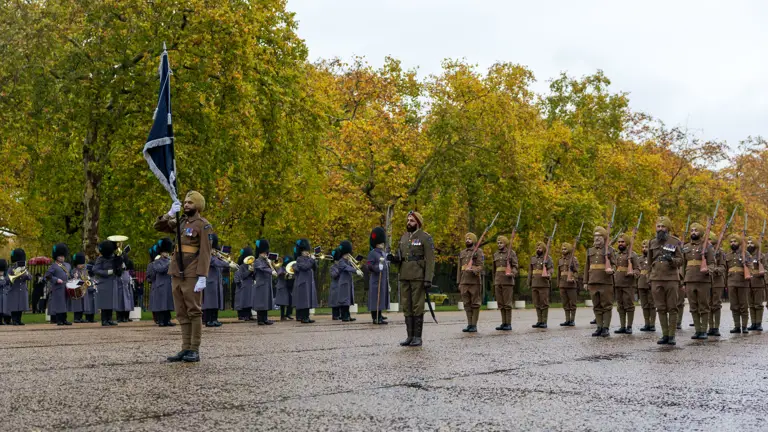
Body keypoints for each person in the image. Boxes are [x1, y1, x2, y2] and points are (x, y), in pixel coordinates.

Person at [153, 191, 213, 363]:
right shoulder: (180, 221)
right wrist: (169, 213)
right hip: (177, 270)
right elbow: (158, 227)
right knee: (181, 312)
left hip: (192, 271)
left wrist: (202, 275)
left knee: (194, 311)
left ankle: (194, 349)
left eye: (190, 203)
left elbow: (205, 253)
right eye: (185, 202)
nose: (186, 205)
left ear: (198, 206)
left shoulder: (203, 225)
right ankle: (185, 348)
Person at [388, 211, 435, 347]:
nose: (409, 223)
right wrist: (394, 259)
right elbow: (401, 256)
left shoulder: (425, 237)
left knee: (417, 306)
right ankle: (409, 336)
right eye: (408, 220)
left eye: (412, 221)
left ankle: (417, 337)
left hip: (418, 276)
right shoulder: (403, 237)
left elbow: (430, 260)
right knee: (406, 306)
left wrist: (428, 279)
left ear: (418, 223)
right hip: (404, 275)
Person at [648, 217, 684, 345]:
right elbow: (649, 262)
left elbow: (681, 260)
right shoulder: (652, 242)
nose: (660, 229)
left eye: (663, 227)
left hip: (671, 278)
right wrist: (649, 278)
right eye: (658, 226)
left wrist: (671, 260)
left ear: (667, 228)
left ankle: (672, 335)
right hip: (656, 279)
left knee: (672, 308)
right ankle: (664, 335)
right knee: (661, 308)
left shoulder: (675, 242)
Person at [682, 223, 715, 339]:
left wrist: (708, 270)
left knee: (704, 306)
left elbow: (712, 263)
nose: (693, 232)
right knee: (693, 306)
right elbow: (683, 265)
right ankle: (697, 330)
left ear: (700, 232)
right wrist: (683, 281)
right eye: (691, 230)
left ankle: (704, 330)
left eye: (696, 230)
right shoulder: (686, 247)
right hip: (690, 279)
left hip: (703, 280)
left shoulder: (707, 246)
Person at [584, 227, 616, 337]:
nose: (597, 238)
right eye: (595, 236)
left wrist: (612, 270)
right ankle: (599, 327)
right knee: (596, 306)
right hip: (593, 282)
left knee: (606, 306)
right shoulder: (590, 250)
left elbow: (615, 264)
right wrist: (585, 282)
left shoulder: (610, 250)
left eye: (599, 236)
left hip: (605, 282)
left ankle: (606, 328)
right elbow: (587, 267)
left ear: (604, 238)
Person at [204, 234, 232, 327]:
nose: (215, 251)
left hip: (216, 282)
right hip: (210, 282)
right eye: (214, 249)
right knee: (209, 302)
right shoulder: (208, 256)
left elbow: (220, 267)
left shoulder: (215, 257)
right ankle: (208, 320)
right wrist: (226, 263)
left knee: (216, 302)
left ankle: (214, 319)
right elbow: (215, 263)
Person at [726, 233, 752, 334]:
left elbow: (751, 267)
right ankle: (737, 326)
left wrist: (745, 264)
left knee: (743, 305)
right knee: (734, 305)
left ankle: (744, 326)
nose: (733, 243)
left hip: (742, 282)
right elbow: (726, 269)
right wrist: (725, 283)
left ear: (739, 242)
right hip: (731, 282)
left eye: (735, 241)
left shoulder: (746, 254)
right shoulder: (727, 255)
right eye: (731, 242)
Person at [613, 234, 640, 334]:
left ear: (627, 243)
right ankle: (622, 326)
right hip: (617, 283)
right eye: (619, 242)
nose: (620, 243)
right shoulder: (616, 255)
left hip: (628, 284)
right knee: (620, 305)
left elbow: (638, 269)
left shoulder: (632, 255)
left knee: (629, 305)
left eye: (622, 242)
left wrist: (633, 273)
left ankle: (629, 326)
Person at [458, 233, 484, 332]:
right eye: (466, 239)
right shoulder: (462, 253)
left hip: (474, 282)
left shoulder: (478, 251)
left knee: (475, 304)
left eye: (469, 239)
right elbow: (459, 269)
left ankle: (474, 325)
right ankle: (469, 324)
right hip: (464, 281)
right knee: (466, 304)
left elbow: (481, 266)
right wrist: (459, 282)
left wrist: (473, 269)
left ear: (473, 240)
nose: (467, 240)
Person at [148, 238, 176, 327]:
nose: (167, 254)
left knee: (167, 303)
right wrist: (169, 263)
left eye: (167, 252)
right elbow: (159, 269)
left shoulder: (169, 261)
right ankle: (161, 320)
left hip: (168, 284)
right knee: (161, 304)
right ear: (161, 252)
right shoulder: (157, 261)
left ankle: (167, 320)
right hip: (161, 285)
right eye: (165, 252)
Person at [333, 240, 362, 322]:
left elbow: (353, 266)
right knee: (344, 301)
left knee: (348, 301)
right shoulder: (341, 262)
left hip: (348, 283)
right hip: (343, 283)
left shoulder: (348, 261)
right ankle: (344, 316)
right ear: (343, 254)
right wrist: (356, 271)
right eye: (346, 254)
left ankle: (347, 315)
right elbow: (347, 268)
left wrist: (355, 264)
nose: (348, 255)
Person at [93, 240, 120, 326]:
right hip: (104, 282)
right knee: (105, 302)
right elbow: (95, 269)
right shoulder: (100, 259)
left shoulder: (114, 258)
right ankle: (104, 320)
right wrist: (107, 272)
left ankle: (109, 319)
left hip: (112, 282)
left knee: (111, 302)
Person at [367, 227, 390, 325]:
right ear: (376, 243)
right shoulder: (372, 253)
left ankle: (379, 315)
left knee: (380, 299)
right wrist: (377, 267)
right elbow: (369, 265)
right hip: (376, 280)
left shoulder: (383, 253)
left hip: (383, 279)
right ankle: (375, 317)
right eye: (380, 243)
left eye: (382, 243)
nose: (382, 244)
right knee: (375, 299)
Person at [528, 241, 554, 329]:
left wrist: (548, 274)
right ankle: (539, 321)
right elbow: (530, 271)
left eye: (540, 248)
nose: (538, 249)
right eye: (537, 248)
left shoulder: (548, 258)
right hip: (535, 283)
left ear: (543, 249)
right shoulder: (533, 258)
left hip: (543, 284)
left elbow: (551, 269)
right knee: (536, 303)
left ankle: (544, 321)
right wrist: (529, 282)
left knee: (544, 303)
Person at [293, 239, 319, 324]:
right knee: (304, 301)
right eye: (305, 251)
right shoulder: (299, 259)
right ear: (301, 252)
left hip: (309, 282)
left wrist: (314, 260)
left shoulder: (309, 259)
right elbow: (305, 267)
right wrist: (311, 260)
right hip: (303, 283)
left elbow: (315, 268)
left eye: (307, 251)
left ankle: (307, 317)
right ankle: (304, 318)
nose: (307, 252)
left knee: (308, 300)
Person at [252, 239, 277, 325]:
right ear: (260, 253)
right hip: (261, 284)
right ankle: (260, 320)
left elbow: (271, 268)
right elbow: (262, 268)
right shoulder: (257, 261)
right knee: (261, 302)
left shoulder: (266, 261)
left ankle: (265, 318)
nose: (265, 254)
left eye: (266, 253)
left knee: (265, 302)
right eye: (264, 253)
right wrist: (271, 271)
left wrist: (270, 263)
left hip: (266, 284)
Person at [45, 243, 71, 326]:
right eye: (60, 256)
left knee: (64, 304)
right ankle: (59, 319)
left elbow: (69, 275)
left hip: (66, 287)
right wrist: (56, 279)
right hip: (58, 287)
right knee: (59, 304)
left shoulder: (67, 265)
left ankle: (64, 319)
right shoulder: (53, 266)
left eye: (63, 256)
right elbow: (47, 276)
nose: (62, 258)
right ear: (56, 257)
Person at [708, 232, 726, 336]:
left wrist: (714, 269)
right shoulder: (705, 251)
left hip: (717, 280)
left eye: (710, 240)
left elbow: (723, 267)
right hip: (707, 281)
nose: (708, 242)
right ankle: (710, 327)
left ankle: (716, 327)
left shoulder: (720, 252)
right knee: (708, 304)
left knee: (716, 304)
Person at [746, 236, 766, 331]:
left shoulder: (761, 256)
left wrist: (759, 272)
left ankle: (758, 323)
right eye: (748, 243)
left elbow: (766, 269)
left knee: (758, 304)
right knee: (751, 304)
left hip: (758, 283)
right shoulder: (745, 255)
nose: (749, 245)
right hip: (748, 283)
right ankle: (753, 323)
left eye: (751, 243)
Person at [6, 249, 31, 325]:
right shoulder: (11, 269)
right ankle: (14, 320)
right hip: (14, 289)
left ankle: (19, 320)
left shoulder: (24, 268)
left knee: (20, 306)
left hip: (22, 289)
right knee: (14, 306)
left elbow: (30, 277)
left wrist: (26, 275)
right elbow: (8, 279)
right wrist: (15, 275)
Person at [556, 242, 578, 327]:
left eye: (565, 249)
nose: (563, 250)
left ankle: (572, 320)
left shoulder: (573, 259)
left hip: (571, 284)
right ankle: (567, 320)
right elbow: (558, 273)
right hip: (562, 283)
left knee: (572, 303)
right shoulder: (560, 260)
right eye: (562, 249)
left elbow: (576, 271)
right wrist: (558, 283)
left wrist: (574, 278)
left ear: (569, 250)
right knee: (565, 303)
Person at [637, 240, 656, 332]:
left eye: (646, 247)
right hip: (641, 283)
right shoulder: (639, 259)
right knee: (644, 305)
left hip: (651, 282)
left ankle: (652, 324)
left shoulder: (654, 258)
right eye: (643, 247)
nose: (644, 249)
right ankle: (646, 324)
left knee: (652, 304)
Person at [235, 247, 255, 321]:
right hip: (243, 285)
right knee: (243, 301)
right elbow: (242, 276)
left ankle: (249, 314)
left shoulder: (250, 265)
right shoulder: (241, 266)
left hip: (249, 284)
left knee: (249, 301)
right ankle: (242, 315)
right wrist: (249, 271)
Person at [69, 252, 88, 323]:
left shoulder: (84, 271)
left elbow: (86, 278)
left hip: (83, 289)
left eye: (82, 264)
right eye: (80, 264)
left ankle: (80, 317)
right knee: (77, 304)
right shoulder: (74, 271)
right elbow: (74, 280)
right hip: (77, 290)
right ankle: (76, 318)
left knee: (82, 304)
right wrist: (82, 282)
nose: (81, 265)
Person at [276, 256, 294, 321]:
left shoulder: (290, 268)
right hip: (282, 286)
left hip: (288, 286)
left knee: (290, 301)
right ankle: (282, 316)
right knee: (282, 302)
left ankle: (288, 314)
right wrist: (284, 273)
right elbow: (278, 273)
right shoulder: (281, 267)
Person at [0, 260, 8, 325]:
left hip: (5, 293)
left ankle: (6, 320)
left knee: (5, 309)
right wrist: (3, 280)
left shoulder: (6, 274)